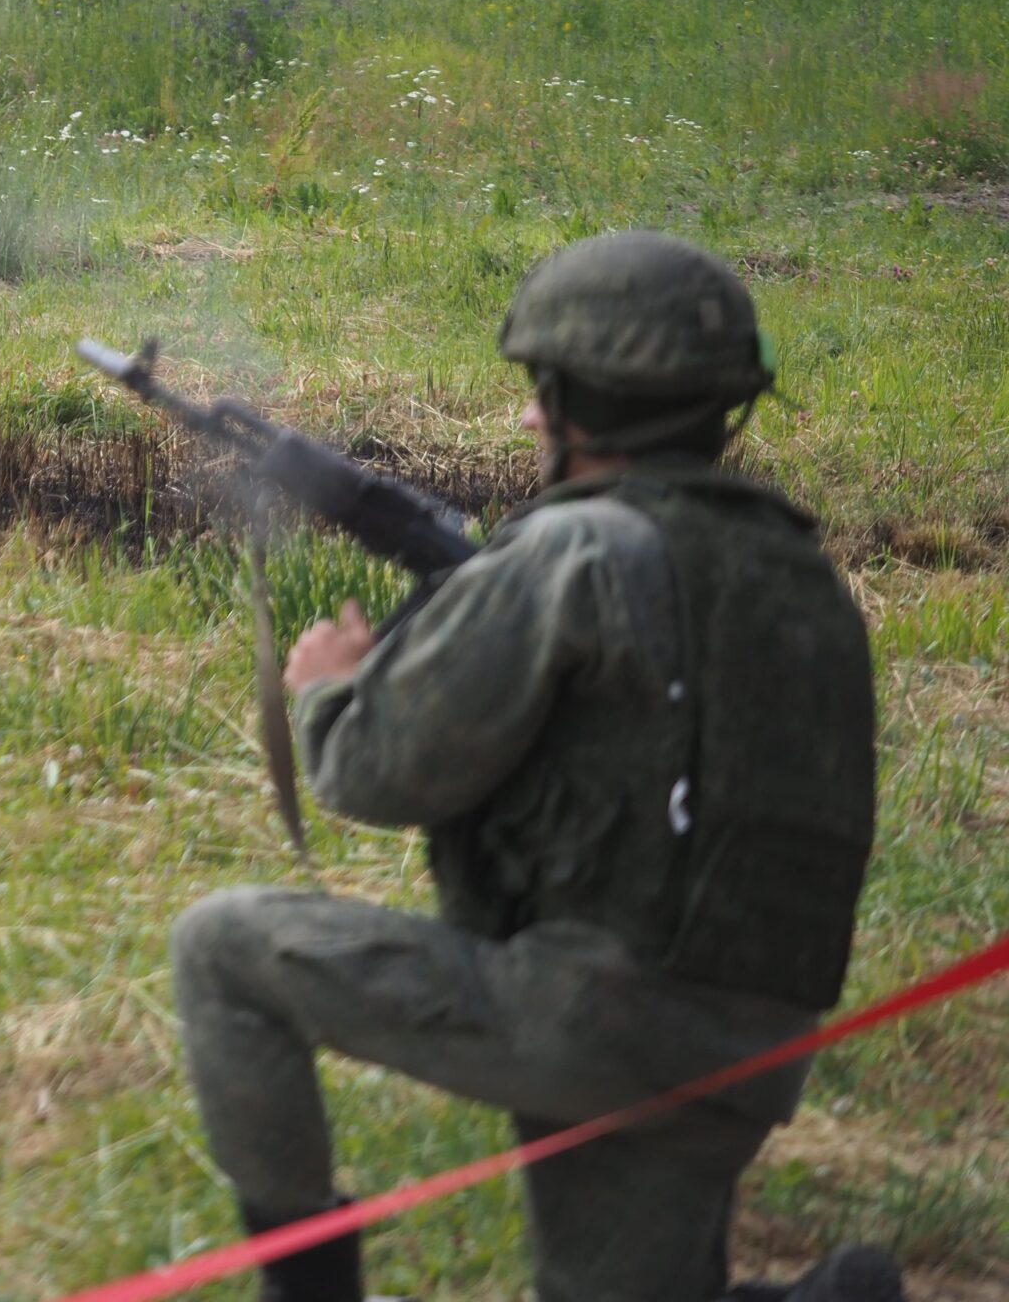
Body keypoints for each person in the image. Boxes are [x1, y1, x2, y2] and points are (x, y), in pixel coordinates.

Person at [167, 232, 895, 1302]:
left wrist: (326, 686)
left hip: (591, 1021)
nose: (525, 416)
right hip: (750, 1051)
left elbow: (372, 775)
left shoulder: (572, 553)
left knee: (221, 946)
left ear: (578, 401)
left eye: (538, 393)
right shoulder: (802, 579)